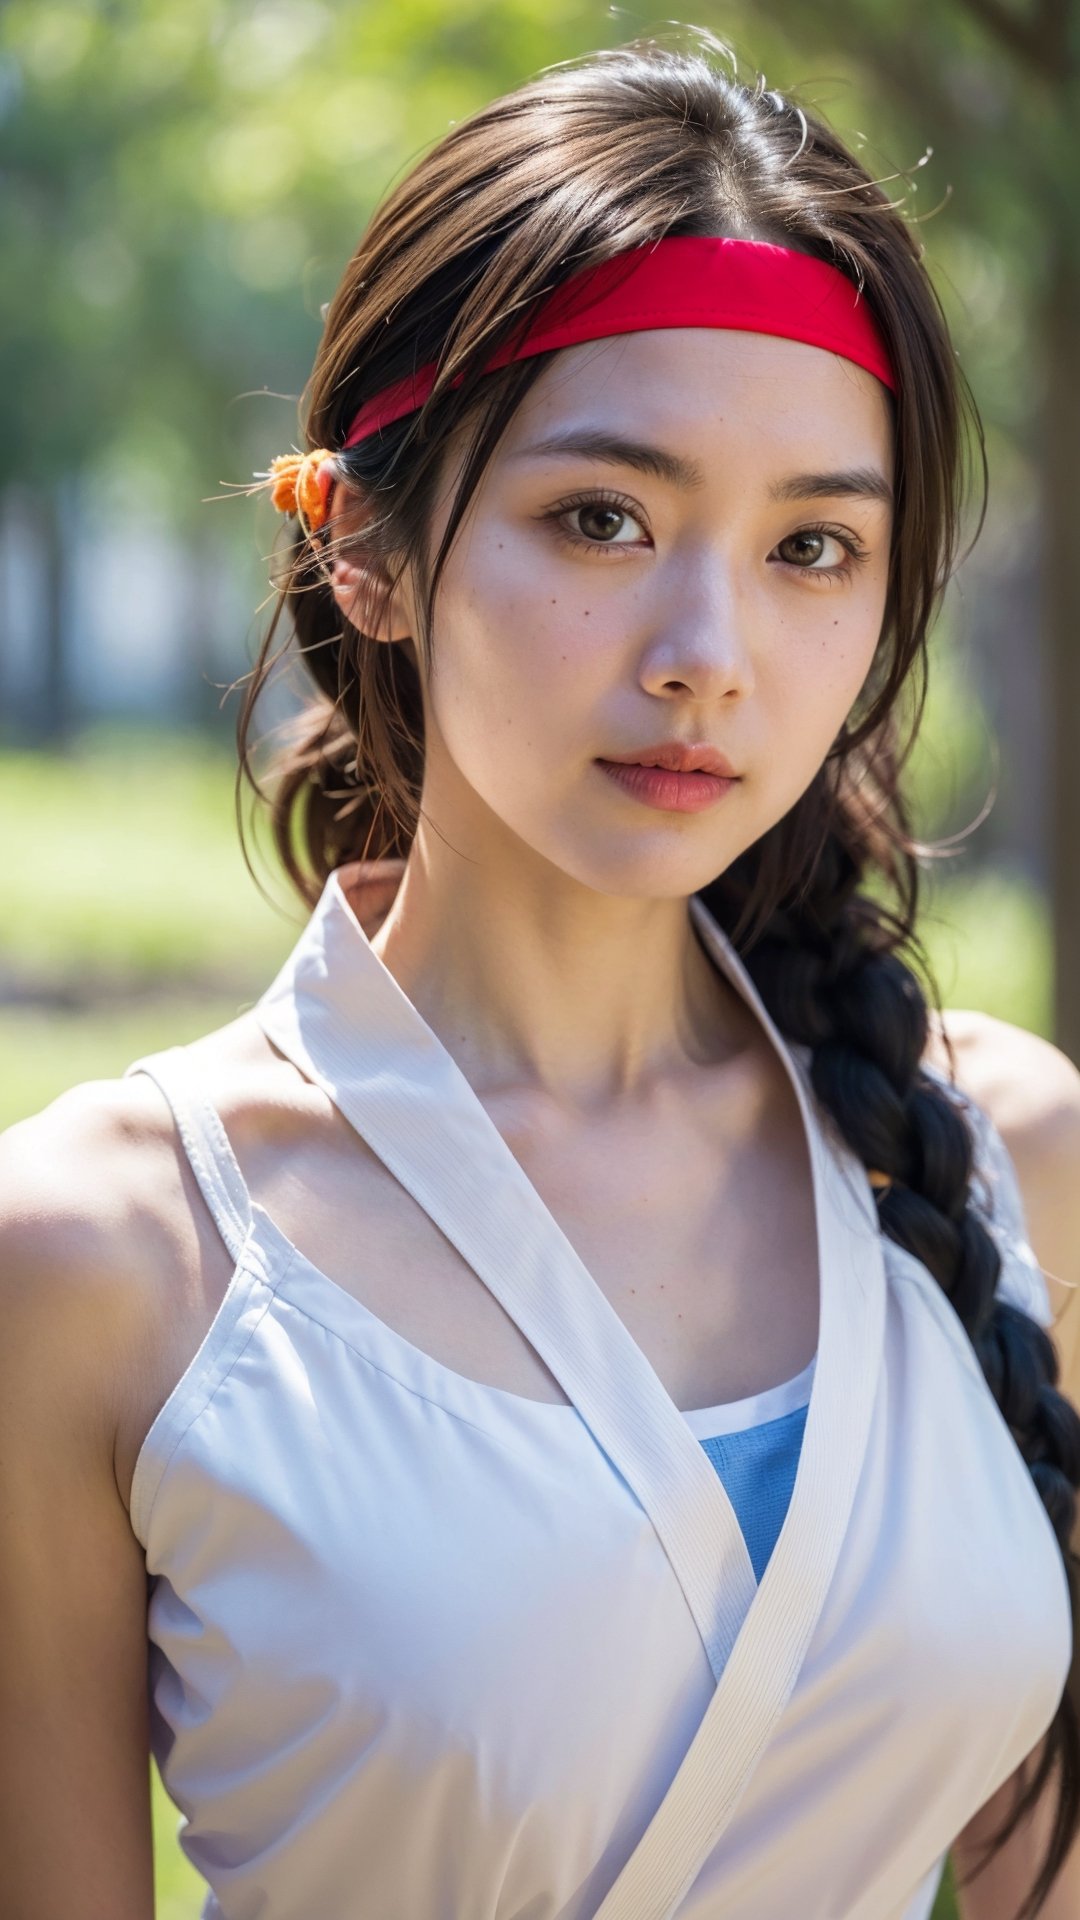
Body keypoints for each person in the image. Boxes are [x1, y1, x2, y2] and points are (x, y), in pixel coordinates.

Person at [3, 27, 1080, 1920]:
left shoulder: (1005, 1166)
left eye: (814, 546)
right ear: (365, 547)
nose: (706, 650)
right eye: (604, 517)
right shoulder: (110, 1258)